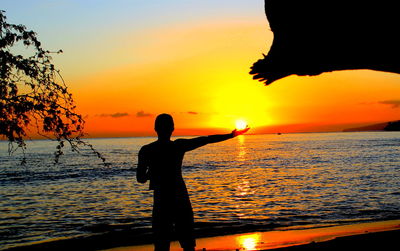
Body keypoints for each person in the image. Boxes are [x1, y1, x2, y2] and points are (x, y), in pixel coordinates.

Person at [137, 113, 250, 251]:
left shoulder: (147, 150)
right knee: (187, 243)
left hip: (162, 200)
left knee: (162, 243)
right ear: (172, 128)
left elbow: (140, 179)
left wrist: (151, 173)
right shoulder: (178, 146)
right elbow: (206, 139)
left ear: (155, 128)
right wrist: (232, 135)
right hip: (180, 198)